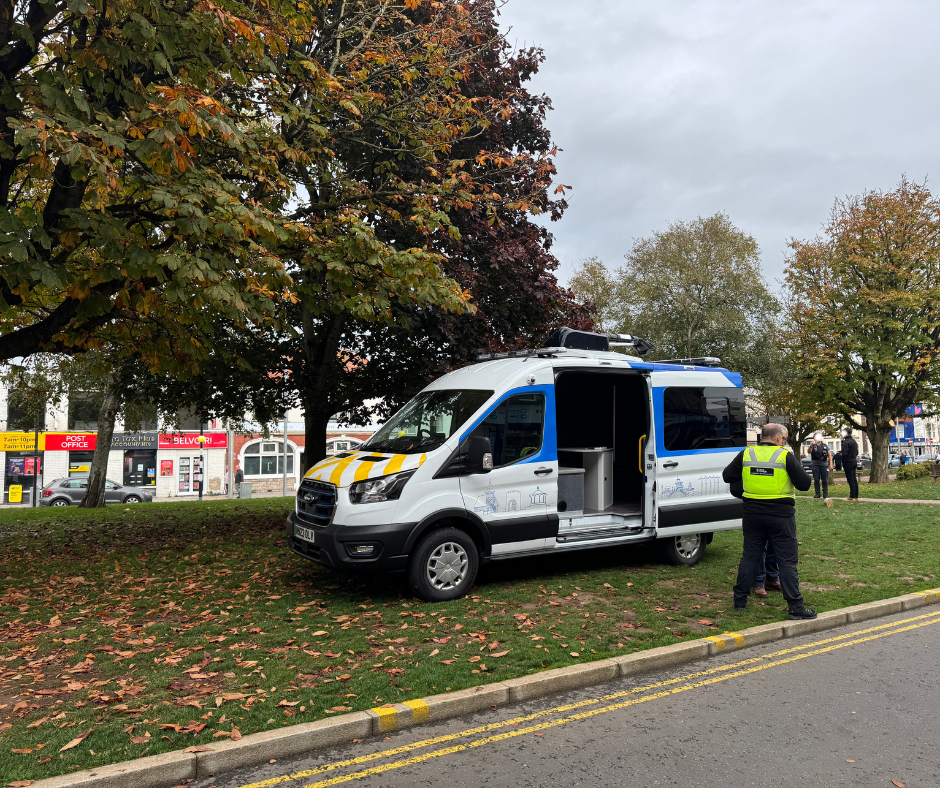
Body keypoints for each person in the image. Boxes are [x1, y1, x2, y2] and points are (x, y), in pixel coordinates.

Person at [723, 422, 816, 620]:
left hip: (752, 514)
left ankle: (740, 602)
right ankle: (796, 607)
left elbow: (727, 476)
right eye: (784, 439)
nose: (784, 442)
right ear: (778, 438)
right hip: (781, 516)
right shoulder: (784, 456)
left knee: (750, 557)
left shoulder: (747, 454)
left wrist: (747, 487)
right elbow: (805, 484)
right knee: (787, 562)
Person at [809, 432, 833, 500]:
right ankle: (817, 494)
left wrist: (831, 464)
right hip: (815, 465)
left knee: (824, 480)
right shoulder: (813, 446)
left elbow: (830, 455)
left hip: (824, 465)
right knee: (816, 480)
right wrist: (811, 445)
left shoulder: (825, 445)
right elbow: (809, 451)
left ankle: (825, 494)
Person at [841, 427, 860, 502]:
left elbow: (844, 453)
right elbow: (857, 452)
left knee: (850, 479)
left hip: (848, 462)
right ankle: (856, 495)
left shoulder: (846, 442)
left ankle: (852, 496)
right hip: (853, 460)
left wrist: (843, 460)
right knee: (854, 479)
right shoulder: (854, 441)